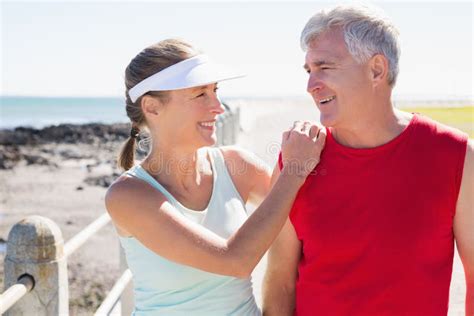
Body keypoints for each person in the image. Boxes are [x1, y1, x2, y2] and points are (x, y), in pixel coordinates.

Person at [263, 5, 473, 316]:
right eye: (309, 71)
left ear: (376, 69)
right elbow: (280, 285)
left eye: (325, 67)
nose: (311, 85)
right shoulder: (297, 158)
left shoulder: (456, 155)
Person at [104, 38, 326, 315]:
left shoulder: (235, 165)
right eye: (200, 94)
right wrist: (292, 172)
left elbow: (311, 216)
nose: (218, 107)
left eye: (215, 91)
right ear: (151, 107)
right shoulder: (128, 196)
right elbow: (235, 260)